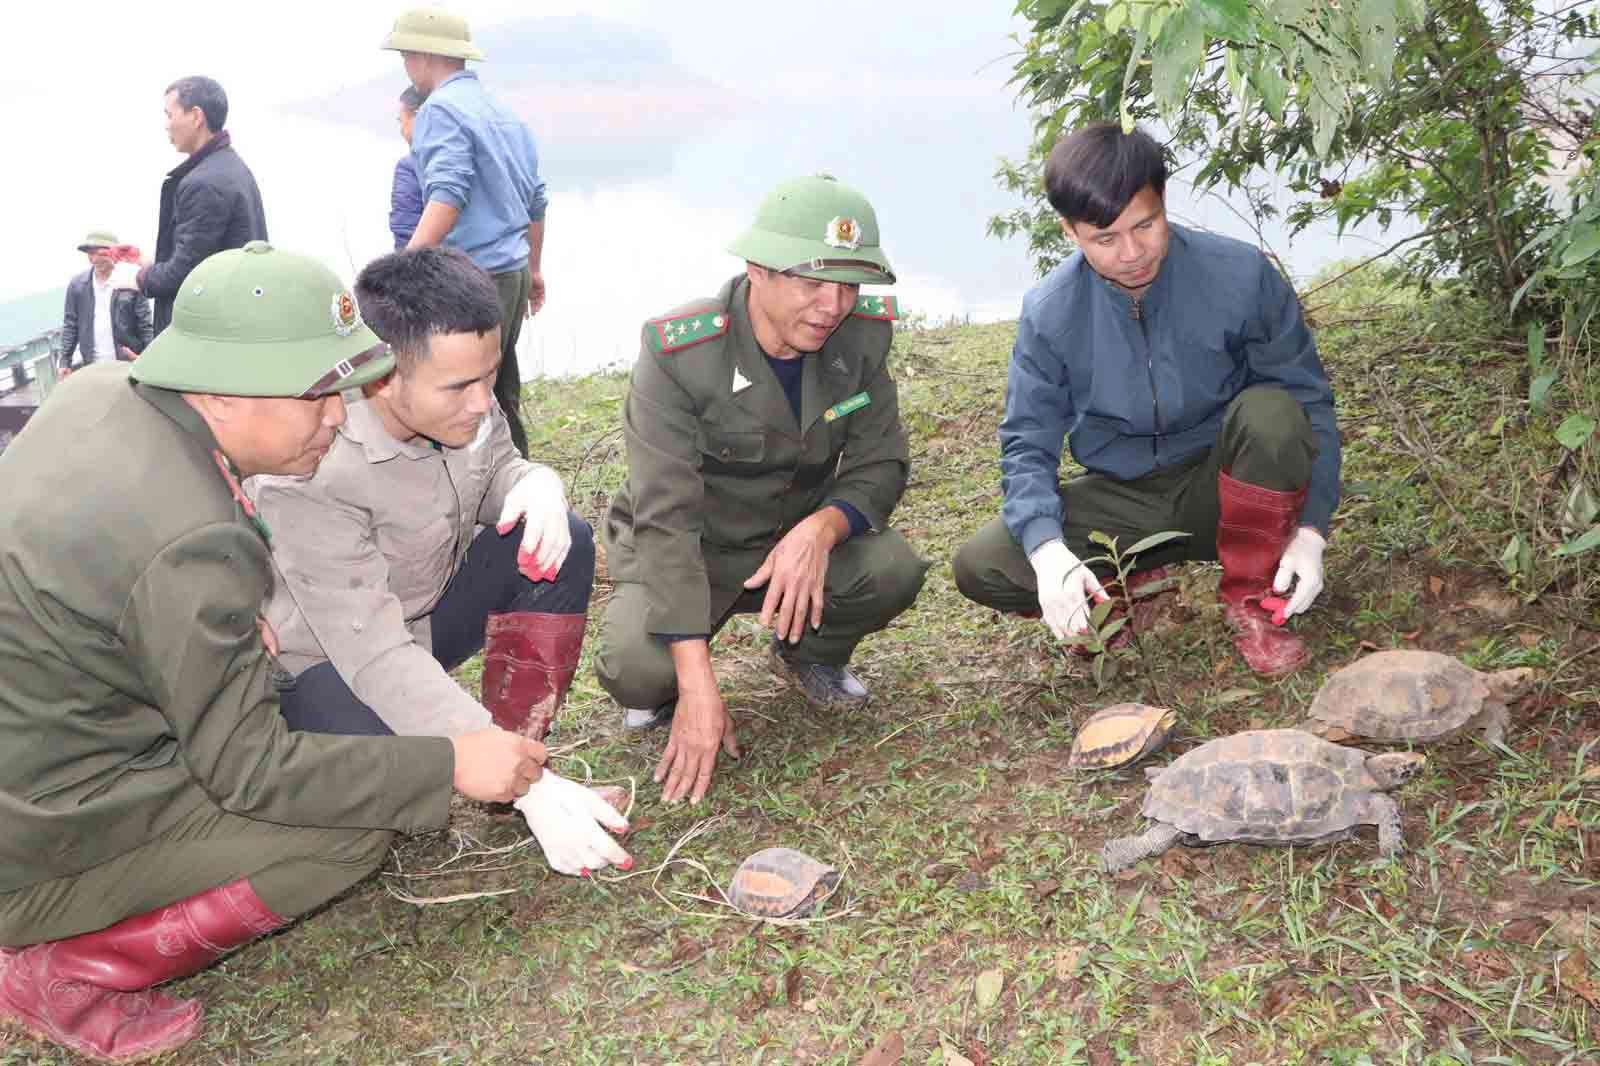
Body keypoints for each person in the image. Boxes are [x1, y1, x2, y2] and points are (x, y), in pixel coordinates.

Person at [0, 243, 623, 1064]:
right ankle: (57, 971)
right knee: (348, 831)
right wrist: (444, 769)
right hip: (44, 830)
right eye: (317, 396)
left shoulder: (103, 389)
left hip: (66, 732)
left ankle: (518, 770)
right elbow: (251, 770)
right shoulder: (193, 543)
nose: (339, 415)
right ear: (222, 394)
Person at [951, 123, 1341, 678]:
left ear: (1163, 203)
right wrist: (1047, 551)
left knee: (1274, 414)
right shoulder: (1050, 312)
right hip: (1121, 503)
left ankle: (1255, 599)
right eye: (1104, 239)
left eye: (1146, 225)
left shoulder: (1240, 275)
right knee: (982, 564)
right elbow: (1026, 444)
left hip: (1224, 486)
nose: (1132, 253)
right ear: (1070, 232)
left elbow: (1310, 401)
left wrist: (1312, 530)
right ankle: (1119, 588)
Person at [597, 174, 929, 805]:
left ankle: (808, 651)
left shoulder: (861, 337)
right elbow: (664, 519)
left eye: (848, 286)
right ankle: (672, 683)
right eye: (811, 283)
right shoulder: (680, 353)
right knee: (640, 672)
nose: (832, 306)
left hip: (789, 547)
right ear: (758, 270)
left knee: (891, 569)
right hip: (691, 548)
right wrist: (697, 686)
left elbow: (881, 462)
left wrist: (821, 528)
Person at [249, 246, 594, 743]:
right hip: (327, 659)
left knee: (560, 541)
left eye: (489, 376)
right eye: (459, 388)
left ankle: (521, 752)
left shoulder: (460, 392)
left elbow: (496, 466)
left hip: (421, 622)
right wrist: (479, 748)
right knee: (394, 777)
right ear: (383, 378)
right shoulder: (311, 466)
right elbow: (372, 650)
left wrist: (533, 483)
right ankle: (503, 769)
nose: (481, 402)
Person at [382, 6, 547, 458]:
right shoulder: (505, 113)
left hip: (470, 278)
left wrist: (405, 266)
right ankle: (518, 480)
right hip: (511, 272)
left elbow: (446, 197)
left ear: (422, 56)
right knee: (500, 384)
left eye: (405, 57)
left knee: (459, 395)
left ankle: (478, 493)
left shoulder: (439, 110)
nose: (406, 67)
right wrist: (533, 269)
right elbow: (536, 201)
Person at [134, 76, 268, 334]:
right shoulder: (233, 167)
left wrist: (139, 279)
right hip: (241, 318)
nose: (166, 125)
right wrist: (149, 262)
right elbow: (207, 252)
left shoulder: (203, 183)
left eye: (169, 115)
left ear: (196, 116)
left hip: (213, 333)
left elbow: (186, 274)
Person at [56, 229, 153, 378]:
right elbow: (71, 325)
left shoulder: (131, 282)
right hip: (93, 366)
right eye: (90, 253)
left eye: (101, 253)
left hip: (128, 364)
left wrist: (150, 359)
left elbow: (145, 324)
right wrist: (65, 361)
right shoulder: (77, 286)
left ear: (115, 253)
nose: (95, 259)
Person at [389, 86, 426, 250]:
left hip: (436, 268)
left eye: (401, 121)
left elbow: (405, 232)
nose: (402, 131)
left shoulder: (410, 167)